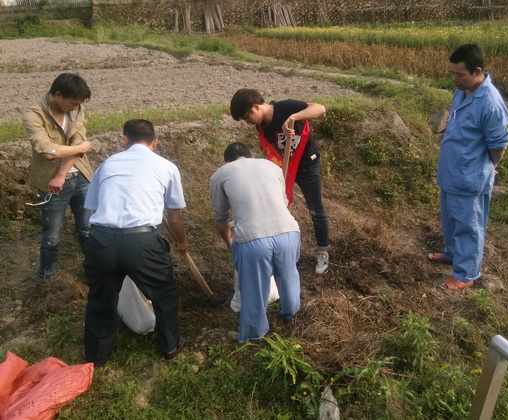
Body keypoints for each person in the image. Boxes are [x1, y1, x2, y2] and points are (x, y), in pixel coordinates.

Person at [82, 119, 188, 366]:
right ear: (155, 142)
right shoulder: (166, 166)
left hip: (101, 239)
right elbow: (174, 216)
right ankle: (170, 345)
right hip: (141, 241)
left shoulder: (108, 164)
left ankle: (96, 357)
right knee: (164, 293)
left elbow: (93, 206)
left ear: (125, 140)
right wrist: (182, 241)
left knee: (101, 298)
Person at [429, 44, 508, 291]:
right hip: (452, 171)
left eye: (459, 74)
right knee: (451, 217)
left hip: (470, 175)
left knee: (468, 225)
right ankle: (453, 253)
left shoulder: (490, 103)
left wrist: (489, 166)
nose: (454, 79)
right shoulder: (462, 90)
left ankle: (466, 274)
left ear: (477, 71)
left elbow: (498, 145)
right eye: (452, 73)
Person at [230, 89, 330, 275]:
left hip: (307, 167)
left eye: (246, 117)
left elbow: (320, 109)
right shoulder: (262, 127)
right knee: (279, 205)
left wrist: (293, 117)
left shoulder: (286, 107)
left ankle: (322, 251)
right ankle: (283, 250)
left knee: (315, 210)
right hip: (285, 170)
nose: (247, 122)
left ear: (255, 107)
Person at [210, 142, 301, 342]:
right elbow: (284, 201)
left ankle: (254, 333)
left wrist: (231, 245)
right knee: (288, 276)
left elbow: (221, 220)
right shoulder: (272, 166)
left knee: (253, 288)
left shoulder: (220, 174)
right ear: (251, 156)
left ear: (226, 162)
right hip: (289, 231)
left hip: (253, 239)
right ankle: (290, 315)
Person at [22, 73, 94, 279]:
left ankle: (95, 272)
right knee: (52, 236)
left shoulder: (76, 108)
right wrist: (80, 148)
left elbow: (77, 142)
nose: (76, 107)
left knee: (88, 230)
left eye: (78, 104)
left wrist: (62, 173)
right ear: (59, 94)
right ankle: (47, 278)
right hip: (50, 184)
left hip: (81, 176)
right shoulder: (33, 115)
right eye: (73, 103)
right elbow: (47, 150)